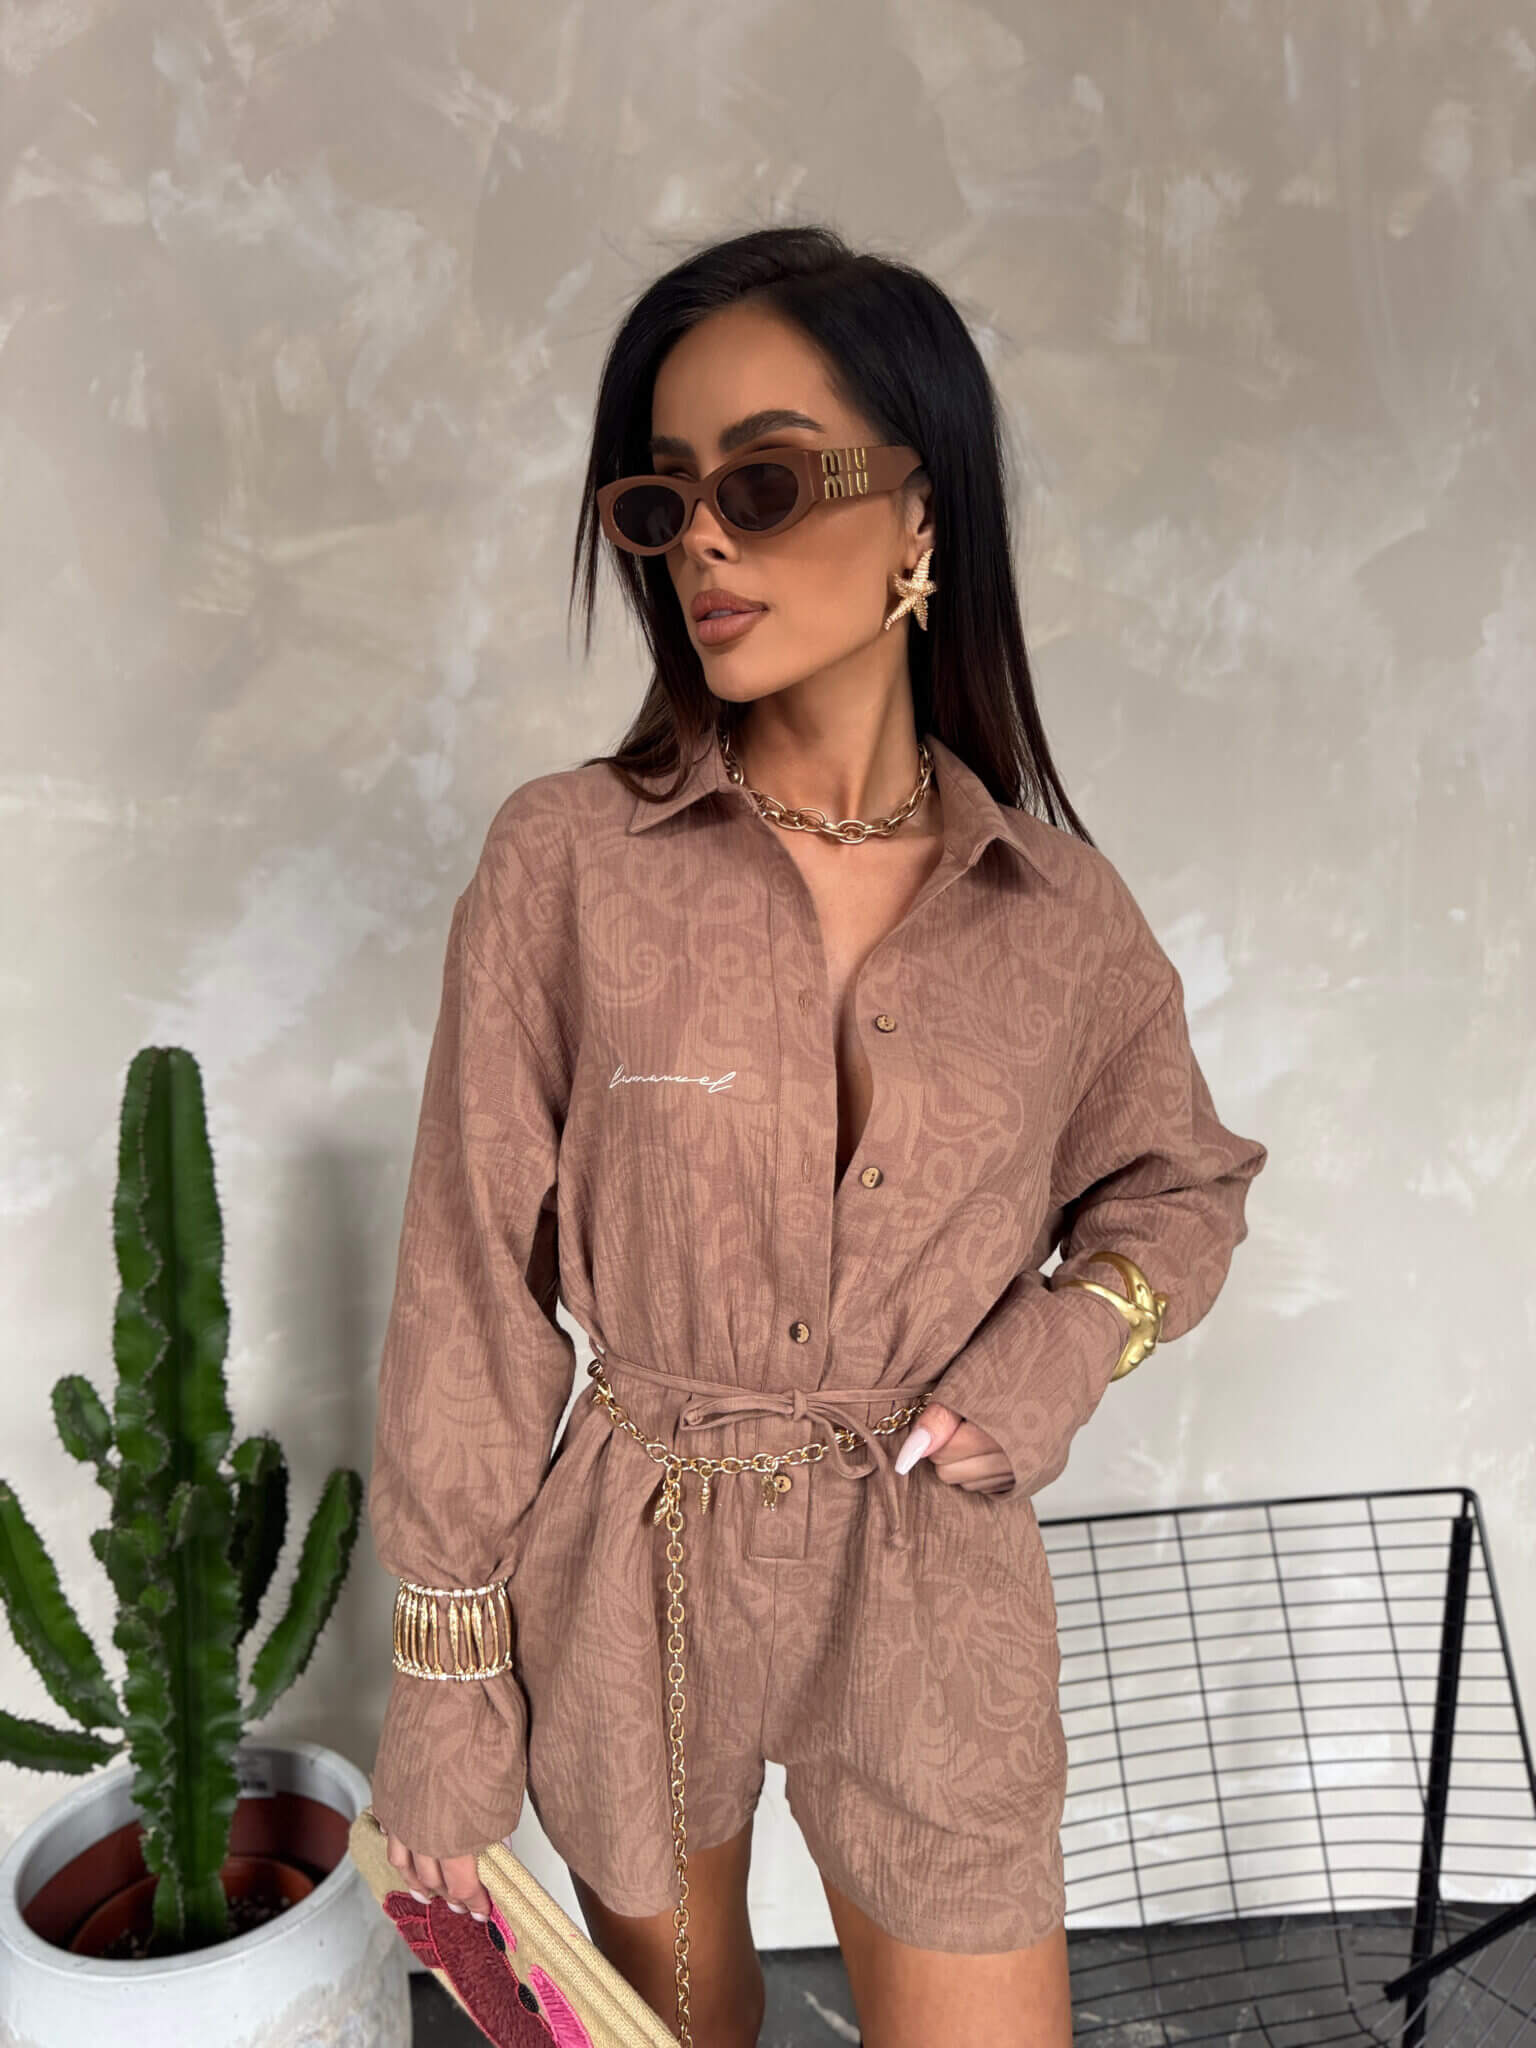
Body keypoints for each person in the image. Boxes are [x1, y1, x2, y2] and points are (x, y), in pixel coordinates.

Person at [366, 222, 1268, 2048]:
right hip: (640, 1565)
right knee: (673, 2039)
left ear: (918, 510)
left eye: (764, 484)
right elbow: (472, 1276)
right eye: (662, 501)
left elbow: (1181, 1190)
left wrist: (1067, 1345)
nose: (702, 541)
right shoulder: (568, 865)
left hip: (928, 1567)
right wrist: (448, 1673)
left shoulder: (1059, 917)